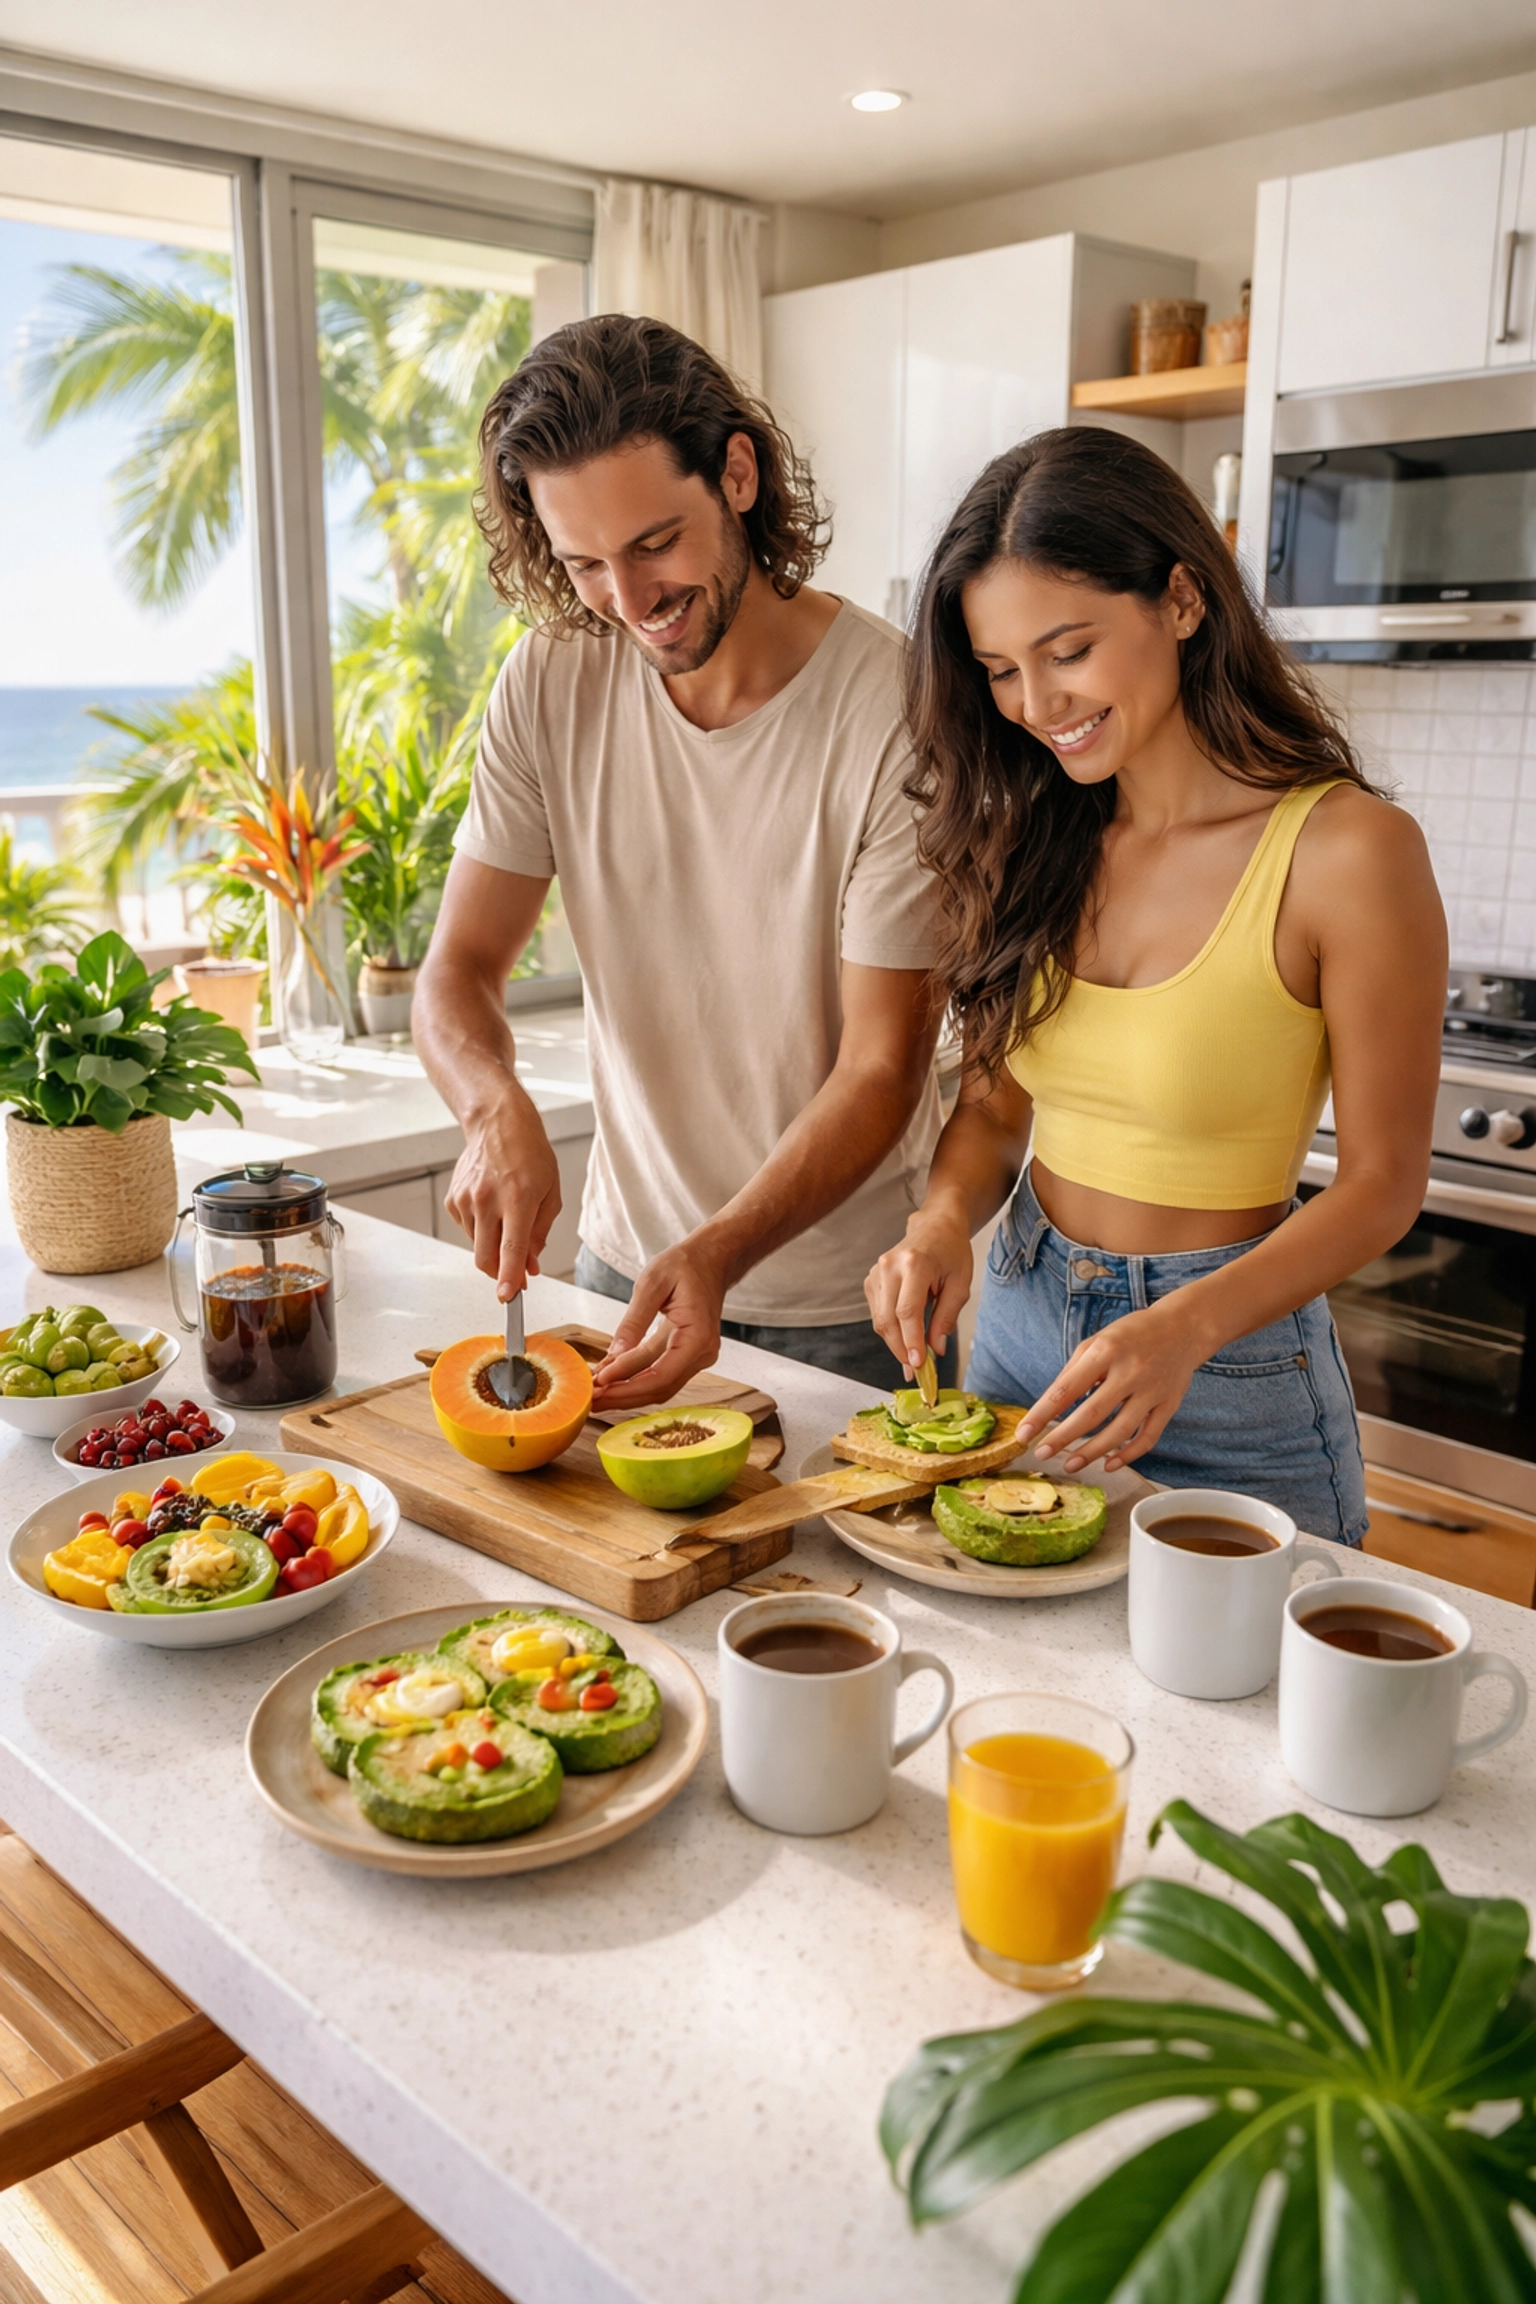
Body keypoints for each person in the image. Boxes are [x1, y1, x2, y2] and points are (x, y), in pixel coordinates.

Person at [865, 426, 1445, 1544]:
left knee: (1250, 1717)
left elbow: (1383, 1184)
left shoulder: (1346, 853)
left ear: (1180, 599)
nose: (1034, 702)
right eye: (998, 670)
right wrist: (940, 1224)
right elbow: (994, 1109)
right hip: (1021, 1341)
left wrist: (1184, 1328)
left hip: (1233, 1369)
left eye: (1067, 649)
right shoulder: (1031, 834)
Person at [414, 314, 945, 1410]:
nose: (630, 599)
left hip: (839, 1308)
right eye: (585, 564)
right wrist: (489, 1107)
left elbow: (884, 1069)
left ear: (736, 474)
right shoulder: (549, 684)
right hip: (625, 1273)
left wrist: (720, 1248)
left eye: (656, 543)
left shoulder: (898, 713)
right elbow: (456, 973)